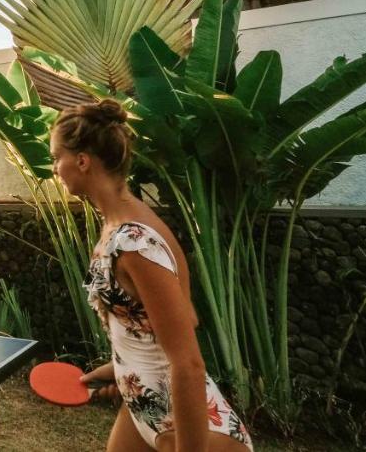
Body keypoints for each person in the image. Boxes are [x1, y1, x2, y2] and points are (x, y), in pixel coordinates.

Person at [52, 100, 252, 452]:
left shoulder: (136, 243)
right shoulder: (116, 226)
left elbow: (188, 364)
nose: (55, 168)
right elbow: (160, 322)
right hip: (144, 410)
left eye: (57, 157)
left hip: (186, 424)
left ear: (82, 161)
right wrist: (121, 368)